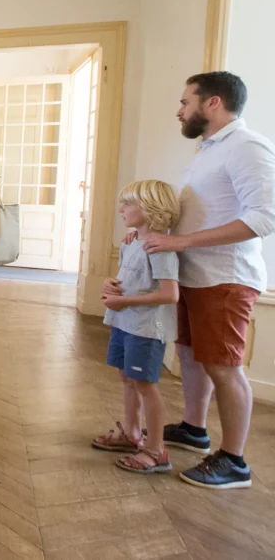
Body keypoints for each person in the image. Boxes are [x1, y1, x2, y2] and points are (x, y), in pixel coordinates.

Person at [109, 71, 275, 489]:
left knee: (224, 367)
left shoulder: (246, 146)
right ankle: (195, 428)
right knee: (189, 357)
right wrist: (146, 231)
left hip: (225, 277)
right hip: (195, 274)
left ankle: (234, 460)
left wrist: (180, 240)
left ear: (213, 103)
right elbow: (195, 211)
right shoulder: (208, 150)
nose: (180, 110)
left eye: (186, 102)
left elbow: (263, 217)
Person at [92, 180, 180, 474]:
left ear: (149, 208)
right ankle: (132, 433)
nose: (121, 210)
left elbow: (170, 294)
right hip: (125, 324)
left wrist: (125, 301)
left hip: (145, 329)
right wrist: (110, 284)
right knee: (127, 379)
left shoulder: (160, 248)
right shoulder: (132, 242)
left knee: (145, 385)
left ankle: (156, 450)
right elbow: (126, 279)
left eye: (127, 204)